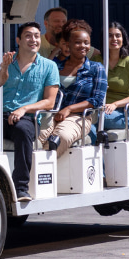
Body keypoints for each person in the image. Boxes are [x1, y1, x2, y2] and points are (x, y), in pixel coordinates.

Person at [0, 23, 59, 201]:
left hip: (27, 118)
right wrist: (4, 68)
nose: (33, 39)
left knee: (22, 132)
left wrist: (24, 109)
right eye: (28, 36)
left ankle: (21, 188)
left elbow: (50, 102)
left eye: (36, 36)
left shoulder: (49, 66)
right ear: (18, 40)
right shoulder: (6, 61)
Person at [39, 20, 106, 157]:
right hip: (52, 114)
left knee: (59, 138)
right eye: (78, 42)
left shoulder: (96, 68)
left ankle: (42, 169)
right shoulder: (55, 67)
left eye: (86, 43)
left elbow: (97, 100)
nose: (83, 46)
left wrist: (69, 109)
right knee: (37, 137)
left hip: (79, 117)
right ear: (68, 44)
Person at [99, 21, 129, 133]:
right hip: (98, 108)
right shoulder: (96, 61)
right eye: (109, 35)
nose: (114, 39)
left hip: (120, 111)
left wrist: (115, 104)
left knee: (96, 119)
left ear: (123, 39)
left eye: (118, 36)